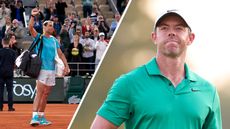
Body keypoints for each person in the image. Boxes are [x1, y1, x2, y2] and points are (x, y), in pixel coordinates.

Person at [90, 9, 222, 129]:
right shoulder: (128, 83)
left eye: (179, 28)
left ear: (190, 38)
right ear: (154, 37)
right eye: (164, 28)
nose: (171, 33)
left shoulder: (208, 91)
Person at [28, 8, 70, 126]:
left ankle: (41, 116)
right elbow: (30, 28)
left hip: (52, 70)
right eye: (50, 26)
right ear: (44, 27)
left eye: (53, 25)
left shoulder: (54, 40)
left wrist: (66, 66)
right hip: (41, 69)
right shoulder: (39, 37)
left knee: (46, 94)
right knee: (39, 93)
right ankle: (34, 117)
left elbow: (60, 54)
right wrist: (32, 16)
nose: (52, 27)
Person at [0, 35, 16, 111]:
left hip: (0, 73)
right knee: (10, 91)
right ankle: (10, 107)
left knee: (0, 91)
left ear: (2, 42)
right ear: (9, 42)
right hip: (9, 72)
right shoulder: (13, 52)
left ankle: (0, 107)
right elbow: (15, 63)